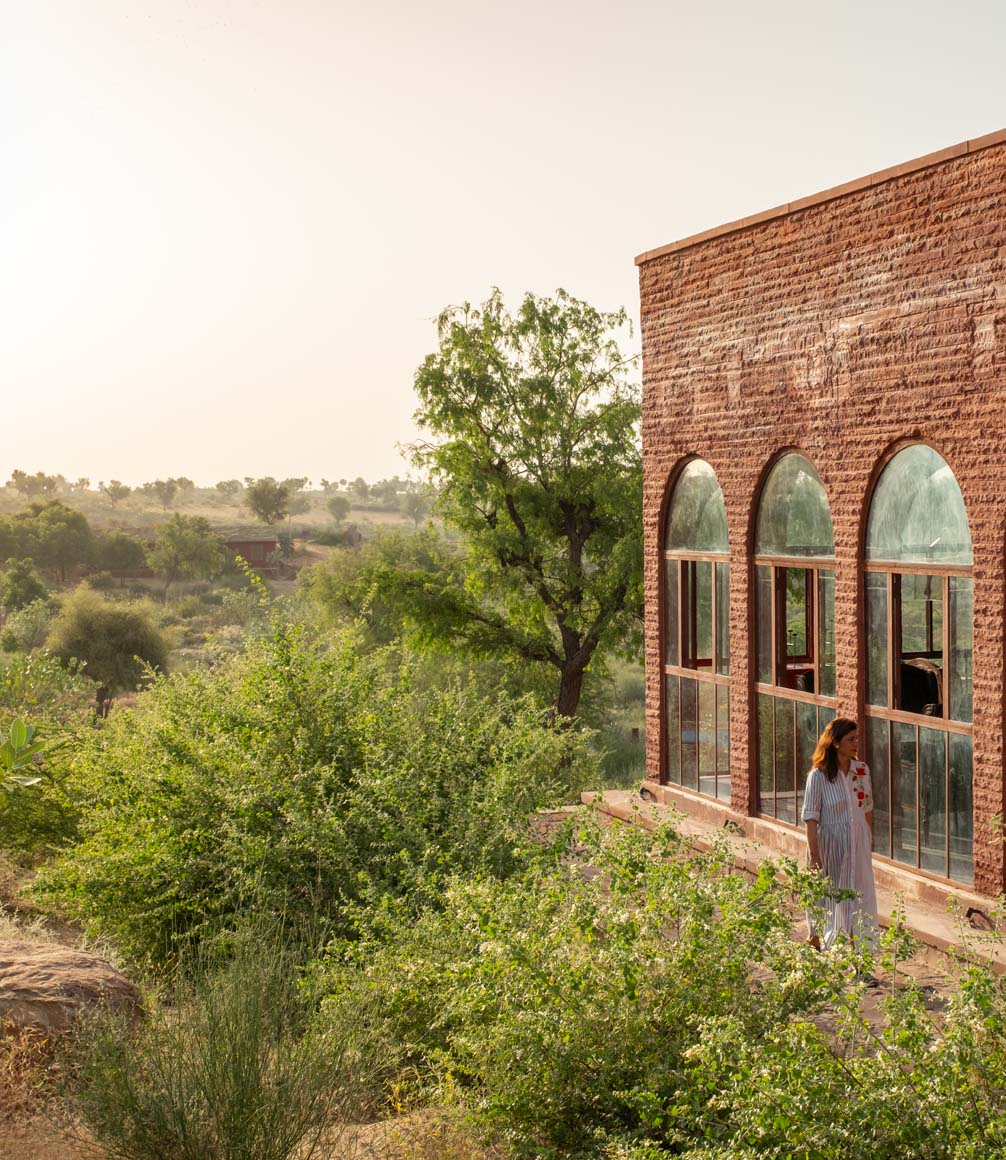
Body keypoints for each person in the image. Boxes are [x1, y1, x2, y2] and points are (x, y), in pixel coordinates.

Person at [802, 717, 878, 952]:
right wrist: (815, 855)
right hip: (830, 845)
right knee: (830, 897)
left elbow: (867, 810)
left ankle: (861, 957)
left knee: (861, 899)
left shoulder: (861, 771)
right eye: (850, 739)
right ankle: (820, 940)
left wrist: (867, 844)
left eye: (857, 738)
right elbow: (811, 818)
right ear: (835, 742)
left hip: (858, 844)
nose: (856, 743)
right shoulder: (819, 776)